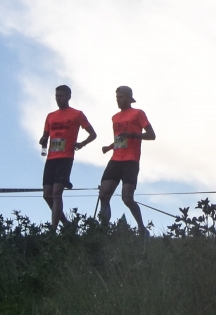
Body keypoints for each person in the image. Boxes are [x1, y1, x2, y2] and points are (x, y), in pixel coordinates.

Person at [96, 85, 155, 232]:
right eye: (116, 97)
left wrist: (133, 135)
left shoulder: (138, 113)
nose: (118, 99)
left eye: (121, 97)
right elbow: (119, 139)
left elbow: (151, 135)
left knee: (127, 198)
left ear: (129, 98)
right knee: (104, 195)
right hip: (115, 159)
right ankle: (103, 230)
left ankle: (142, 228)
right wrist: (109, 147)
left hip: (131, 160)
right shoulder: (115, 117)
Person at [38, 85, 97, 228]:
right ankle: (65, 223)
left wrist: (81, 143)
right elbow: (45, 136)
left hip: (66, 157)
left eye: (61, 96)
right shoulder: (51, 116)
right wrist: (43, 140)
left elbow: (93, 134)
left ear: (69, 97)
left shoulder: (77, 114)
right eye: (56, 96)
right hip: (51, 158)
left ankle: (53, 229)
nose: (58, 99)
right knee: (47, 195)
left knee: (56, 193)